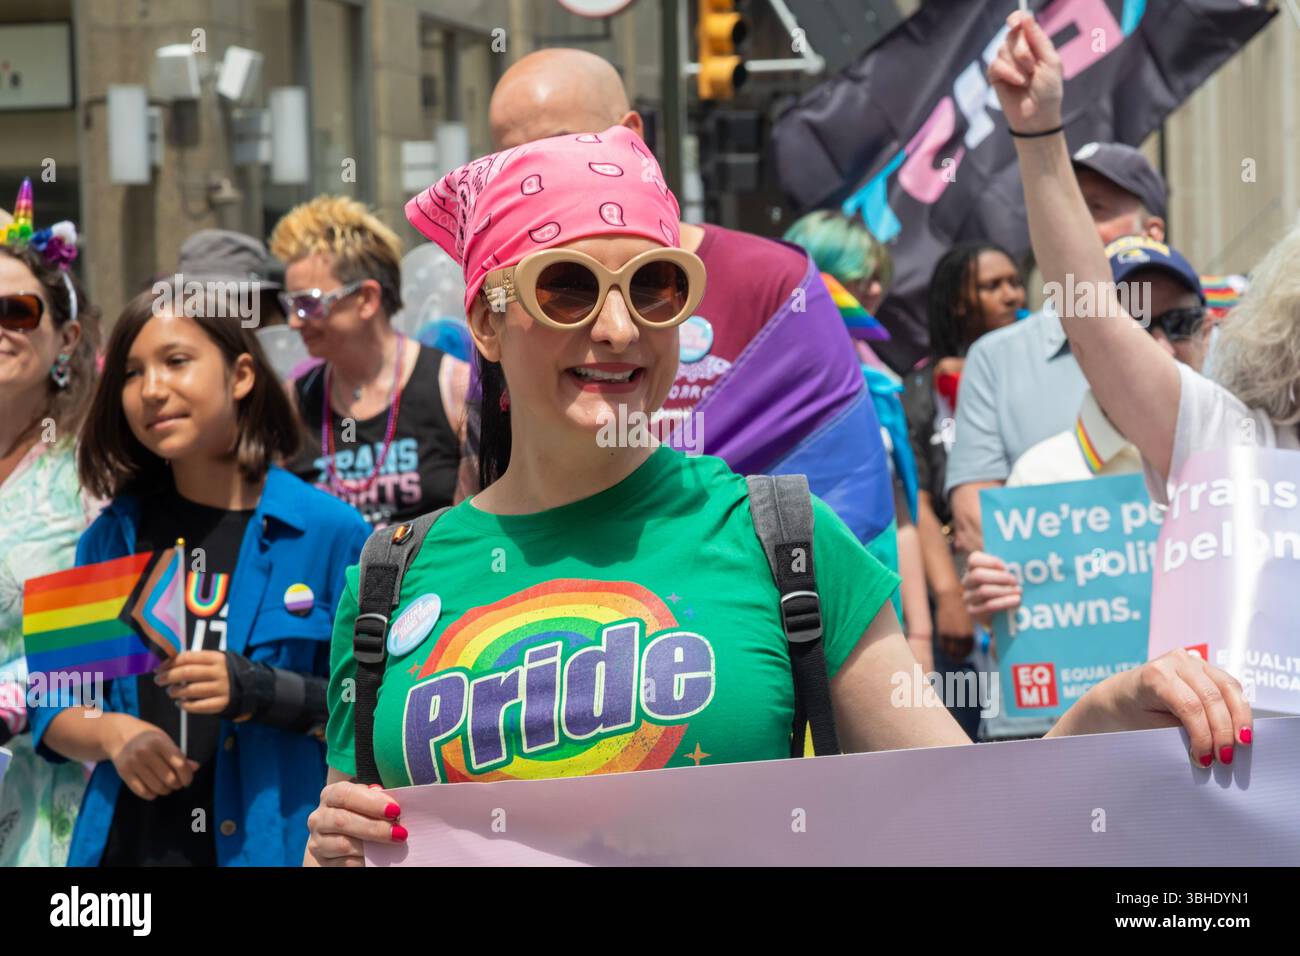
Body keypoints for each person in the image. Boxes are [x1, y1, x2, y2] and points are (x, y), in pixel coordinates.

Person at [304, 127, 1252, 865]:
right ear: (487, 319)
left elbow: (971, 810)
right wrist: (334, 855)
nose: (619, 327)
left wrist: (1101, 719)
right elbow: (360, 840)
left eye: (657, 286)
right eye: (566, 289)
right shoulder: (390, 582)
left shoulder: (783, 541)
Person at [484, 49, 898, 574]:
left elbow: (844, 487)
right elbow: (495, 478)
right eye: (509, 162)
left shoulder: (775, 282)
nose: (617, 329)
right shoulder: (507, 304)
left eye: (655, 288)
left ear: (632, 135)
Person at [30, 284, 369, 865]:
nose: (152, 389)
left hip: (277, 846)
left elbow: (371, 709)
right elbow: (52, 701)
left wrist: (256, 689)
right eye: (132, 373)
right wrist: (115, 735)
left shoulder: (330, 531)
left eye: (176, 361)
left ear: (240, 376)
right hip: (125, 856)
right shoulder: (111, 537)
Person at [944, 141, 1169, 555]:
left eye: (1095, 208)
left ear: (1151, 233)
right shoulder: (996, 358)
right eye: (1063, 208)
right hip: (1065, 609)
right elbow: (977, 513)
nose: (1072, 224)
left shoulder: (1211, 345)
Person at [0, 185, 101, 867]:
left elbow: (125, 640)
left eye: (16, 309)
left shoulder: (93, 475)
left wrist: (16, 690)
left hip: (53, 800)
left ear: (64, 336)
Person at [782, 210, 930, 668]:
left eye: (875, 278)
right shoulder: (759, 397)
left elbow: (902, 515)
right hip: (785, 619)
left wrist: (920, 638)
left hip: (880, 622)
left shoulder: (882, 390)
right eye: (855, 277)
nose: (871, 291)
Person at [270, 197, 469, 528]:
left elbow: (475, 524)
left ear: (365, 300)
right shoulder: (295, 400)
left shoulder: (452, 386)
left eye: (307, 304)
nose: (293, 322)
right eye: (289, 305)